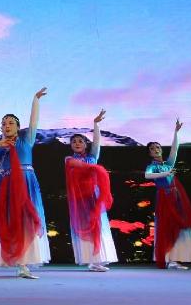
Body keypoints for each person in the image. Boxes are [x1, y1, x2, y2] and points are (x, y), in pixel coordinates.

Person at [0, 88, 50, 279]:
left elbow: (34, 122)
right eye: (4, 124)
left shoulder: (27, 141)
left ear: (18, 127)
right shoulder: (0, 149)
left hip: (27, 182)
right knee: (15, 220)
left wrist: (35, 100)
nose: (7, 125)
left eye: (11, 123)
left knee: (29, 220)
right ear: (1, 129)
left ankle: (26, 262)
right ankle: (21, 264)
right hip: (10, 185)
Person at [65, 110, 117, 272]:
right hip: (80, 198)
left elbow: (97, 142)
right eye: (74, 142)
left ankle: (99, 258)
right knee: (86, 226)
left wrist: (96, 124)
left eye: (80, 141)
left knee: (99, 225)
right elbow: (78, 166)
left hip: (95, 195)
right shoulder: (69, 159)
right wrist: (92, 168)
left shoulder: (92, 157)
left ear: (86, 144)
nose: (77, 143)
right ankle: (91, 260)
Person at [145, 119, 191, 270]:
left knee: (177, 226)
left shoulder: (168, 164)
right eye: (152, 148)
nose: (156, 149)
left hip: (175, 197)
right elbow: (147, 176)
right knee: (166, 227)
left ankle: (174, 259)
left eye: (158, 147)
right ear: (149, 153)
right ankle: (169, 259)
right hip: (164, 198)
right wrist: (166, 174)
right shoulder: (152, 166)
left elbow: (175, 149)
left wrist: (176, 132)